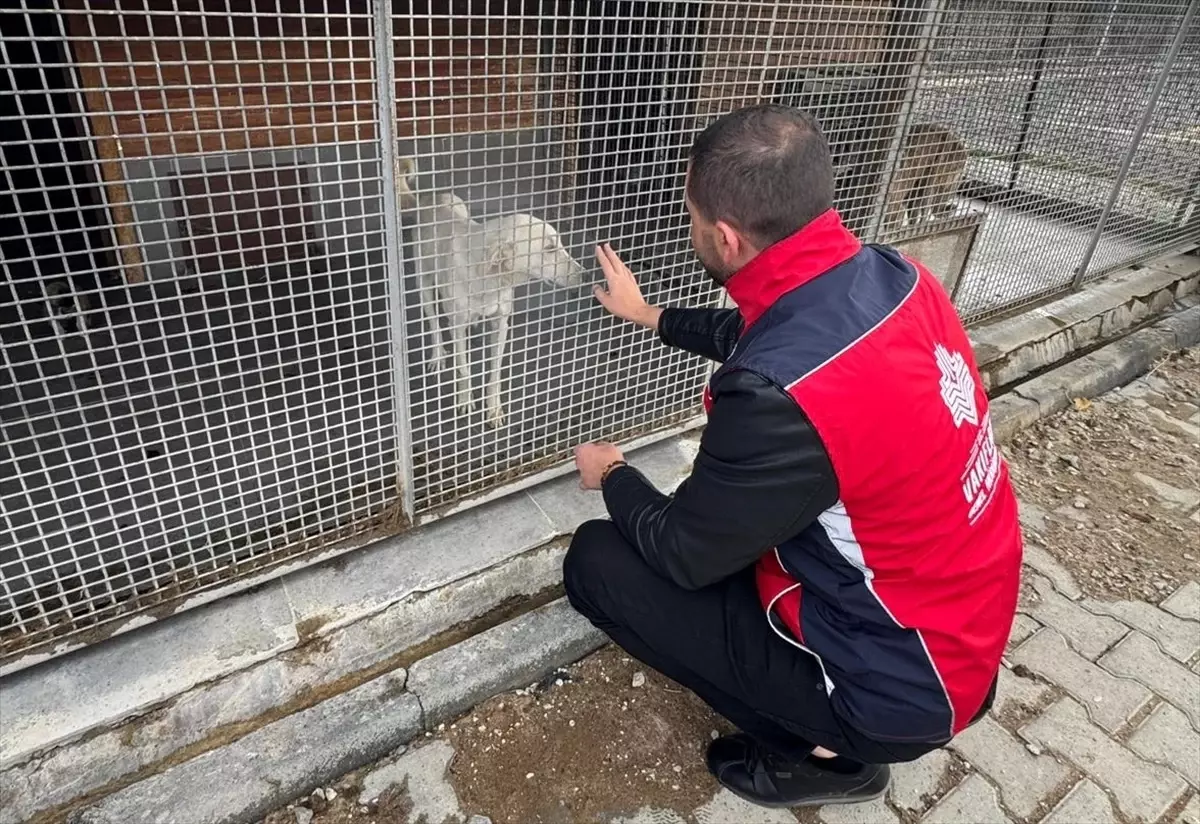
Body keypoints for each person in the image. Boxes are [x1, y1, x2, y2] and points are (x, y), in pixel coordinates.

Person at [564, 104, 1023, 809]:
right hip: (962, 625)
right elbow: (773, 330)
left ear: (725, 235)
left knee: (597, 562)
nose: (688, 228)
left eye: (689, 217)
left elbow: (687, 551)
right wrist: (651, 316)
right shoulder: (896, 276)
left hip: (897, 688)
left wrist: (614, 473)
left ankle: (829, 758)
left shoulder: (775, 398)